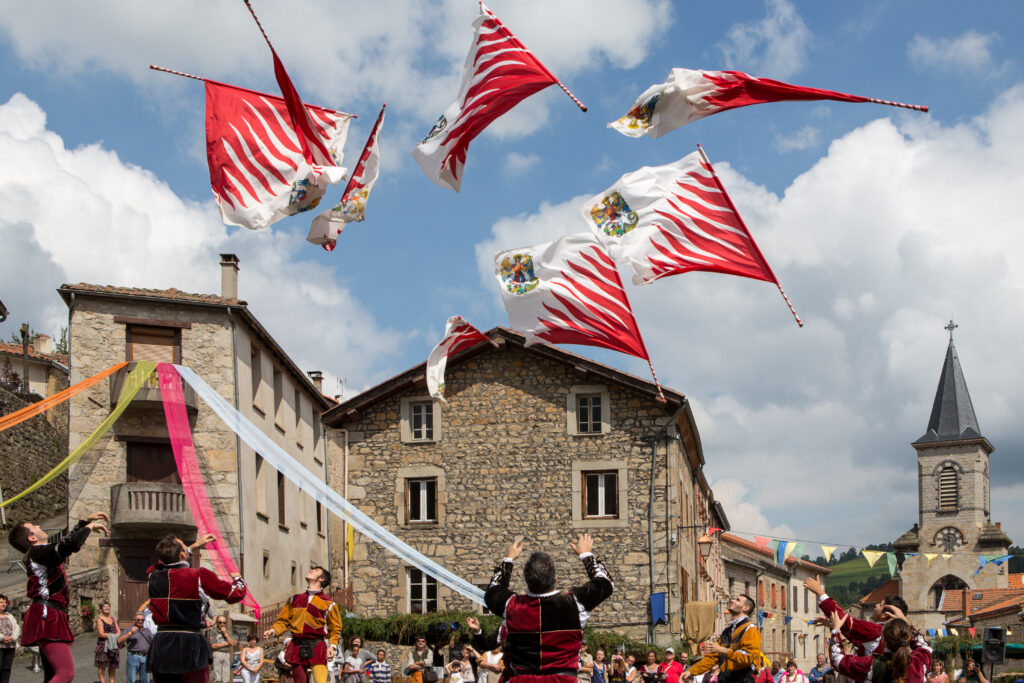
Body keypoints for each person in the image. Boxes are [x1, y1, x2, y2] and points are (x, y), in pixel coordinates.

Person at [485, 534, 613, 683]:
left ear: (526, 581)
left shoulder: (511, 606)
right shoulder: (575, 603)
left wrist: (509, 560)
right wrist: (586, 554)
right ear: (555, 580)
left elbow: (493, 590)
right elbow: (606, 583)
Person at [7, 511, 109, 683]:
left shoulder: (40, 553)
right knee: (65, 674)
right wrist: (89, 527)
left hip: (48, 614)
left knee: (52, 675)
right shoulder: (37, 552)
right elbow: (68, 545)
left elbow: (63, 544)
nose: (39, 526)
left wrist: (84, 523)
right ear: (32, 538)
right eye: (34, 527)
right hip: (48, 616)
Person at [147, 533, 248, 683]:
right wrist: (239, 580)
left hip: (162, 644)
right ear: (182, 554)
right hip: (190, 643)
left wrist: (190, 548)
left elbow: (162, 563)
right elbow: (235, 595)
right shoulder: (198, 575)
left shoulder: (152, 575)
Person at [264, 566, 342, 683]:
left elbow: (335, 629)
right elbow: (283, 621)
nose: (311, 570)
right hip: (296, 646)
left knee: (321, 681)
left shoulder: (329, 603)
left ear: (321, 579)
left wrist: (332, 646)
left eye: (316, 570)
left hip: (317, 646)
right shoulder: (294, 599)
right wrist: (273, 630)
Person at [804, 575, 908, 659]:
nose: (876, 605)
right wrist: (835, 625)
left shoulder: (877, 630)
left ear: (885, 615)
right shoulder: (891, 634)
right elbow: (857, 639)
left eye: (880, 605)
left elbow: (848, 622)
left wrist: (820, 592)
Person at [828, 613, 931, 683]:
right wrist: (906, 624)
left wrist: (836, 630)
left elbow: (837, 660)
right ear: (908, 637)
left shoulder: (871, 665)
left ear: (884, 639)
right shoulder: (920, 662)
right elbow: (924, 646)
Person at [682, 595, 762, 683]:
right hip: (725, 678)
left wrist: (722, 650)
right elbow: (712, 659)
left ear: (746, 608)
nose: (732, 600)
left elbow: (748, 657)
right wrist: (690, 671)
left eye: (737, 600)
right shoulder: (727, 631)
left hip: (742, 679)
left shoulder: (750, 629)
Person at [118, 612, 154, 683]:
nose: (140, 621)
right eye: (138, 620)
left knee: (145, 680)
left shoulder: (147, 631)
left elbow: (153, 643)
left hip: (145, 657)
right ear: (134, 620)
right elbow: (119, 640)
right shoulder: (129, 629)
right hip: (133, 657)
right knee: (131, 679)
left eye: (142, 620)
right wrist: (130, 633)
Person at [95, 601, 120, 683]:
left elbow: (118, 632)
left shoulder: (113, 619)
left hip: (113, 646)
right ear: (101, 608)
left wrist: (114, 635)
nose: (107, 608)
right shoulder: (99, 620)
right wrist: (113, 635)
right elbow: (101, 634)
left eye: (108, 606)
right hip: (103, 646)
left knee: (112, 666)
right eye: (105, 606)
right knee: (102, 667)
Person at [210, 615, 238, 683]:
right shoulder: (214, 632)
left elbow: (233, 643)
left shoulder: (228, 632)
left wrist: (225, 633)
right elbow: (213, 646)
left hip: (226, 653)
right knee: (217, 676)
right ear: (217, 623)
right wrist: (226, 643)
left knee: (226, 676)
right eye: (220, 622)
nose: (222, 624)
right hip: (217, 653)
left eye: (224, 623)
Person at [0, 593, 20, 683]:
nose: (3, 604)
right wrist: (2, 638)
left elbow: (17, 628)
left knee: (7, 668)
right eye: (1, 602)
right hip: (0, 646)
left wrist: (12, 637)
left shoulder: (10, 616)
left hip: (10, 646)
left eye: (4, 602)